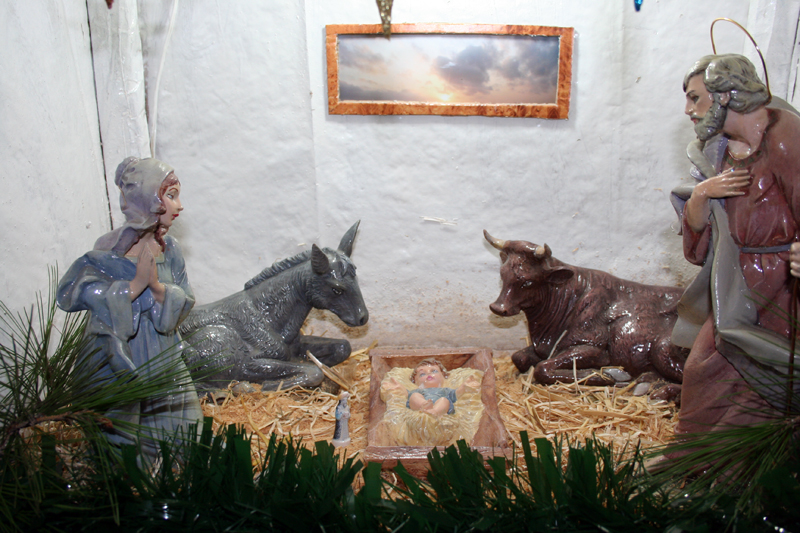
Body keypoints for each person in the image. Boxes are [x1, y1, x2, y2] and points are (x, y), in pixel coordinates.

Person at [670, 54, 800, 436]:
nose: (688, 110)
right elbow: (700, 245)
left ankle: (741, 465)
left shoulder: (784, 136)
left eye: (695, 98)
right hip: (736, 285)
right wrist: (701, 196)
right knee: (701, 370)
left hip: (784, 290)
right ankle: (694, 457)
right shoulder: (718, 150)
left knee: (762, 383)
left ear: (725, 95)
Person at [57, 157, 203, 453]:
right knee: (124, 427)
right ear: (148, 198)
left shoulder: (170, 249)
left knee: (186, 429)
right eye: (171, 195)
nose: (179, 206)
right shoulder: (109, 249)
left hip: (163, 351)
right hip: (124, 353)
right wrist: (133, 287)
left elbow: (186, 296)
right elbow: (82, 293)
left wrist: (159, 289)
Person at [385, 358, 480, 417]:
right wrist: (398, 387)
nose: (429, 374)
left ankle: (435, 411)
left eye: (434, 371)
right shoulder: (417, 391)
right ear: (415, 381)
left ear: (444, 376)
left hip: (441, 407)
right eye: (422, 374)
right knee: (414, 396)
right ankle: (424, 406)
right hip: (421, 404)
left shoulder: (445, 390)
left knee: (444, 400)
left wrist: (465, 386)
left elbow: (457, 394)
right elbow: (406, 394)